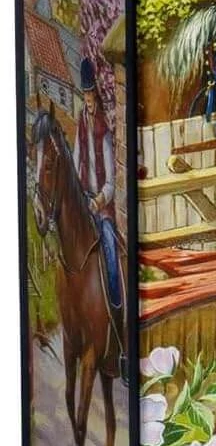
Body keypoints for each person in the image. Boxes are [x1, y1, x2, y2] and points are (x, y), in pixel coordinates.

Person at [72, 56, 123, 310]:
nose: (88, 100)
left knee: (110, 249)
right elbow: (75, 159)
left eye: (91, 94)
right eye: (85, 94)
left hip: (102, 205)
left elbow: (111, 183)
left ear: (96, 95)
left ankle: (116, 304)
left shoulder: (104, 129)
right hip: (84, 199)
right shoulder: (81, 122)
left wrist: (98, 202)